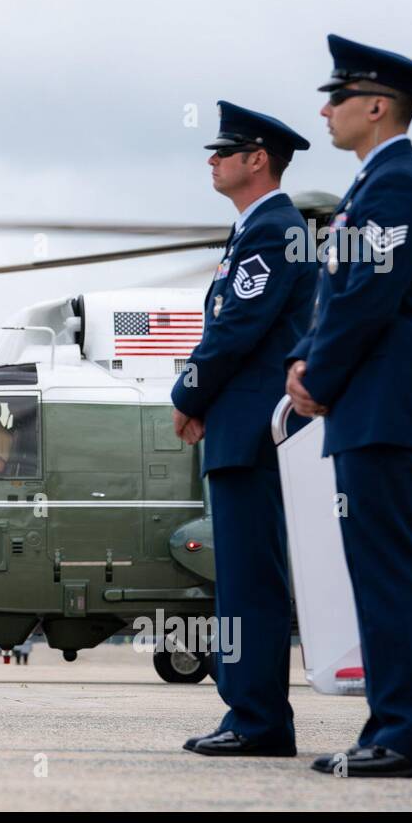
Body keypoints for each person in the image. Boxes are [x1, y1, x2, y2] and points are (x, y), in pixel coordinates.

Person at [287, 36, 412, 778]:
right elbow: (347, 295)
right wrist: (308, 358)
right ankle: (392, 726)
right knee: (380, 569)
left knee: (390, 569)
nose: (325, 110)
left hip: (387, 404)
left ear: (376, 106)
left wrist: (317, 377)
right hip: (378, 404)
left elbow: (368, 298)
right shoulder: (376, 185)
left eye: (338, 98)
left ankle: (408, 737)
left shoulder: (393, 184)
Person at [171, 101, 314, 757]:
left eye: (223, 152)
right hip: (240, 427)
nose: (212, 160)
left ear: (257, 160)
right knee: (242, 578)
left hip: (248, 430)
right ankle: (248, 712)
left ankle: (257, 720)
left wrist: (188, 392)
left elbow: (236, 330)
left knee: (251, 581)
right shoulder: (255, 231)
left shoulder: (272, 229)